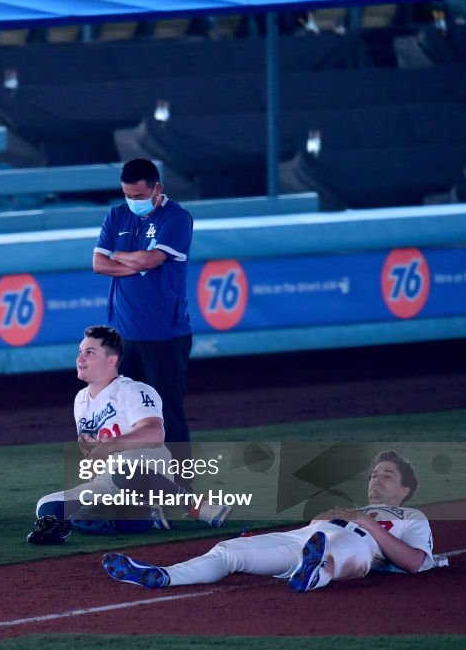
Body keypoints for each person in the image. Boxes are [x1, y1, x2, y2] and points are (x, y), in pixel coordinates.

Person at [102, 450, 439, 592]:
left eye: (387, 476)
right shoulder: (349, 507)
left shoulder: (413, 517)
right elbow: (312, 528)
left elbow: (416, 563)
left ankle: (311, 574)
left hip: (360, 547)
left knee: (332, 551)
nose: (376, 480)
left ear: (405, 489)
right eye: (374, 474)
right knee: (229, 550)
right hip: (304, 538)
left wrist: (368, 524)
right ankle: (163, 576)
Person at [26, 326, 229, 546]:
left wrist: (108, 446)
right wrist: (92, 453)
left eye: (90, 352)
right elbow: (92, 454)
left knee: (125, 472)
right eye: (80, 351)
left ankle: (197, 507)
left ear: (112, 360)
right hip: (108, 481)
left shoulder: (133, 390)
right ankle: (146, 516)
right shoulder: (80, 400)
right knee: (47, 505)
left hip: (146, 469)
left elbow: (155, 432)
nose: (80, 358)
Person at [93, 158, 193, 451]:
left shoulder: (176, 217)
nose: (132, 201)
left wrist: (121, 254)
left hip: (165, 334)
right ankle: (138, 485)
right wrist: (136, 260)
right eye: (127, 195)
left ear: (157, 188)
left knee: (167, 414)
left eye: (138, 196)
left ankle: (182, 489)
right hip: (123, 336)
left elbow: (151, 260)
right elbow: (99, 264)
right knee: (126, 413)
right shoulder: (116, 215)